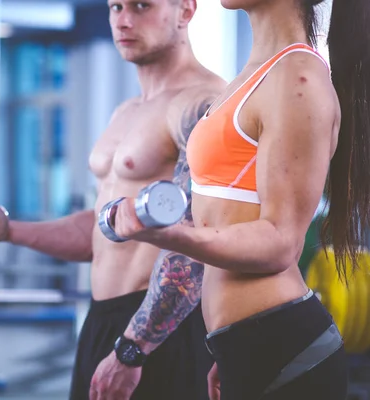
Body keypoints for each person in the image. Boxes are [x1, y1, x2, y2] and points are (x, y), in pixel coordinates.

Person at [0, 0, 226, 398]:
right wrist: (7, 230)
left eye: (141, 6)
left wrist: (134, 348)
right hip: (104, 322)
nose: (123, 20)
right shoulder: (126, 112)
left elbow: (196, 242)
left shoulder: (205, 104)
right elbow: (101, 231)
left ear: (186, 10)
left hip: (160, 331)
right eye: (115, 7)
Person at [110, 0, 369, 398]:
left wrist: (166, 234)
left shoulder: (296, 77)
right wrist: (230, 349)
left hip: (285, 348)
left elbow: (281, 242)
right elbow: (231, 214)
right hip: (247, 343)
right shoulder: (256, 74)